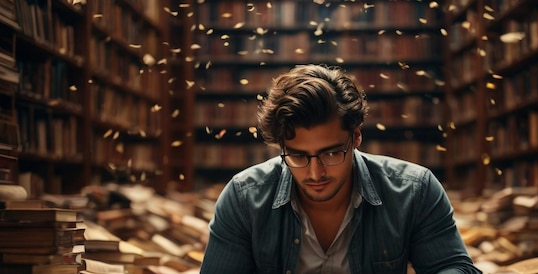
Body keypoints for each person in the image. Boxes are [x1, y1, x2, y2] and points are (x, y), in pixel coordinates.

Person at [199, 64, 481, 274]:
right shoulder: (243, 197)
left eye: (331, 153)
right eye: (297, 156)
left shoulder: (414, 190)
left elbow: (454, 267)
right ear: (281, 147)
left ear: (356, 137)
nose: (315, 173)